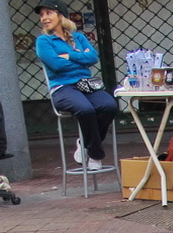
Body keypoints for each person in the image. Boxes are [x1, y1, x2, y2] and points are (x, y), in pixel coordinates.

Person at [35, 0, 118, 172]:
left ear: (60, 15)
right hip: (62, 88)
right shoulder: (44, 41)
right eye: (42, 14)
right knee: (86, 109)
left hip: (85, 85)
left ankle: (85, 143)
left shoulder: (78, 37)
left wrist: (68, 55)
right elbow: (56, 65)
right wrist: (79, 58)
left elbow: (93, 58)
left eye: (48, 13)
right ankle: (95, 154)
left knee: (109, 105)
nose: (44, 18)